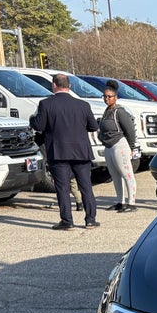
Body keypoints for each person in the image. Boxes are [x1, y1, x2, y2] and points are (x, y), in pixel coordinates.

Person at [30, 73, 99, 230]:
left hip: (58, 151)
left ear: (54, 85)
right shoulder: (83, 105)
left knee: (63, 188)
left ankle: (67, 221)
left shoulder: (46, 104)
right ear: (69, 86)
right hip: (81, 152)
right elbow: (93, 126)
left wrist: (31, 119)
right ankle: (90, 219)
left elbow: (39, 125)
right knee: (86, 186)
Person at [98, 80, 139, 213]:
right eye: (104, 96)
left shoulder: (119, 112)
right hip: (108, 146)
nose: (106, 99)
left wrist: (132, 147)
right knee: (115, 176)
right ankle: (120, 202)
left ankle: (131, 203)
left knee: (127, 174)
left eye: (109, 96)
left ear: (115, 97)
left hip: (120, 145)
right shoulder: (106, 111)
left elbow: (130, 130)